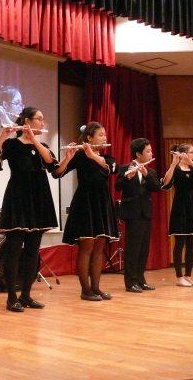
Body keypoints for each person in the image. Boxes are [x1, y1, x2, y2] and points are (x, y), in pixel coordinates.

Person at [0, 107, 75, 311]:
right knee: (14, 250)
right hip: (18, 196)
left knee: (32, 251)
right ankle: (11, 297)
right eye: (39, 119)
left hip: (39, 197)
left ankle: (26, 294)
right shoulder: (11, 144)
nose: (43, 123)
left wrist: (68, 158)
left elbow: (54, 168)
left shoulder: (42, 145)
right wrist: (1, 137)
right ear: (27, 121)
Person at [59, 122, 119, 301]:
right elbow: (57, 173)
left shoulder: (107, 158)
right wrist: (68, 157)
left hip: (102, 203)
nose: (104, 138)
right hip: (85, 202)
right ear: (89, 138)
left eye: (105, 135)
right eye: (100, 135)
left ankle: (96, 288)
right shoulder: (79, 156)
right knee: (86, 247)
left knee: (99, 247)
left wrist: (92, 154)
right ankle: (85, 290)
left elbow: (112, 169)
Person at [115, 138, 160, 293]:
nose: (151, 153)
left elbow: (156, 188)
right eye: (148, 151)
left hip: (146, 212)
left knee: (143, 248)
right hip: (132, 213)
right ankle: (130, 282)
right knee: (132, 249)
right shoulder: (125, 168)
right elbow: (117, 186)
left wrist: (146, 174)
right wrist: (128, 177)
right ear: (138, 154)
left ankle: (140, 280)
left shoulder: (151, 171)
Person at [161, 143, 193, 287]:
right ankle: (179, 277)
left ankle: (188, 275)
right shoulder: (175, 168)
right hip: (180, 205)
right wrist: (173, 163)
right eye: (192, 152)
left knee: (191, 244)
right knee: (179, 243)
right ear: (184, 154)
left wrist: (192, 163)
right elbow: (166, 182)